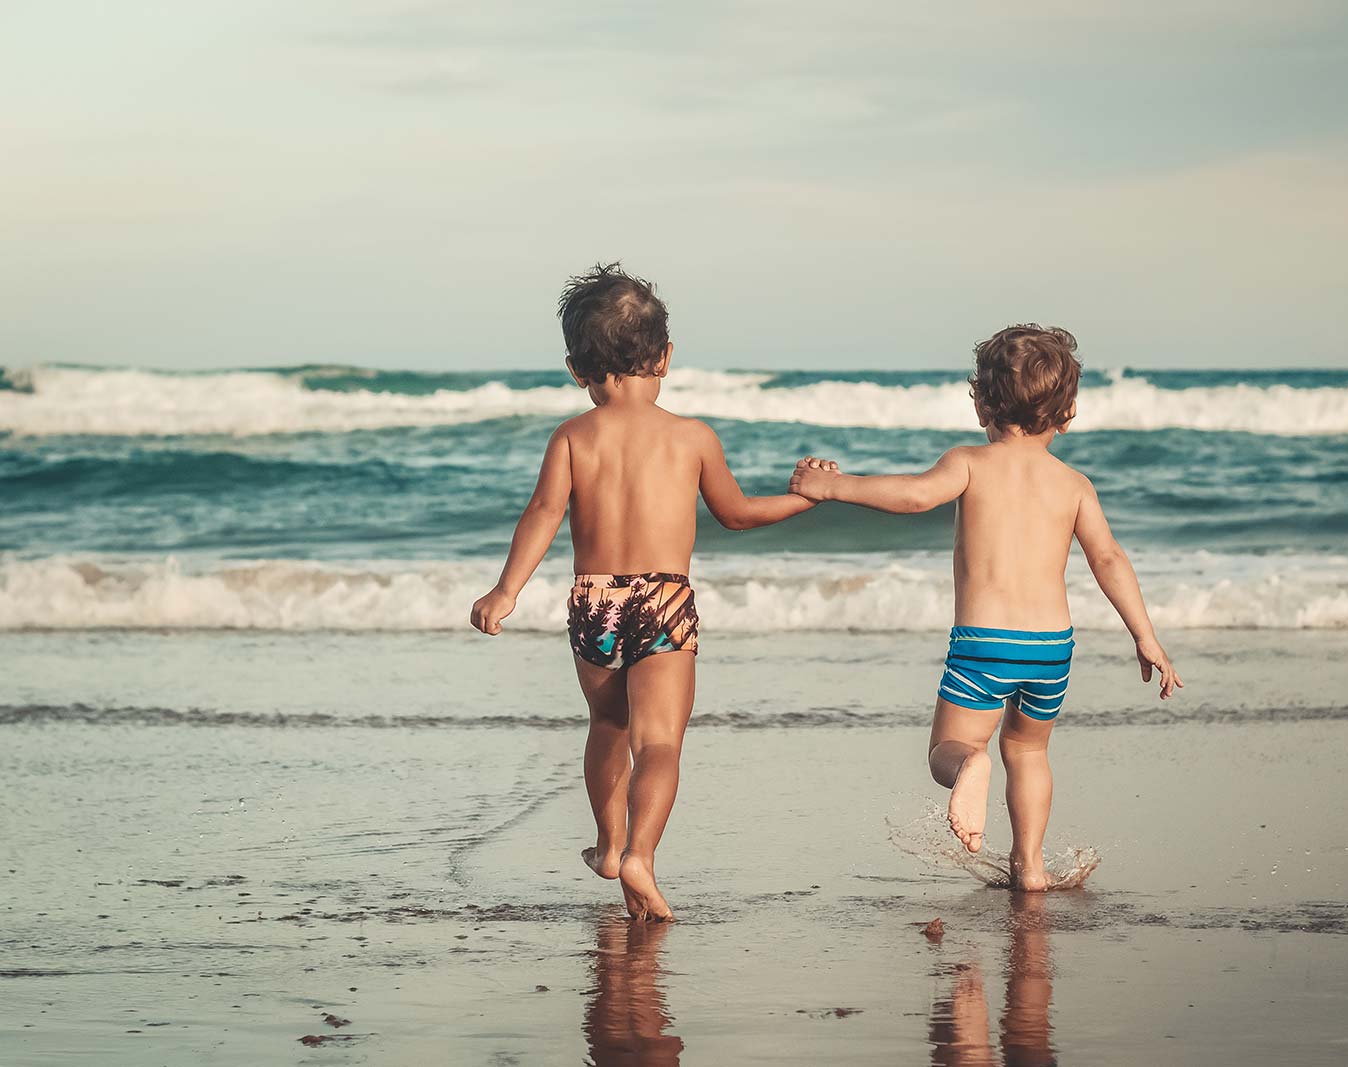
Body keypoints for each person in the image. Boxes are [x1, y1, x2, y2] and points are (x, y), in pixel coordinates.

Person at [471, 263, 822, 920]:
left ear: (576, 368)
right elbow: (737, 513)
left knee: (608, 722)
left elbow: (544, 512)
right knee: (658, 742)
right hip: (663, 599)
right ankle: (641, 855)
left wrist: (506, 589)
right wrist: (807, 500)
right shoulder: (692, 437)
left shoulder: (573, 436)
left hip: (594, 599)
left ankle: (608, 846)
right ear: (665, 356)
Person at [790, 324, 1182, 890]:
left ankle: (969, 769)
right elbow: (1109, 559)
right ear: (1067, 414)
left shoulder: (969, 462)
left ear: (980, 404)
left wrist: (835, 487)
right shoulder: (1074, 484)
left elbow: (914, 495)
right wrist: (1145, 636)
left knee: (948, 751)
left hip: (985, 643)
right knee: (1028, 751)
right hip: (1051, 647)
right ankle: (1031, 866)